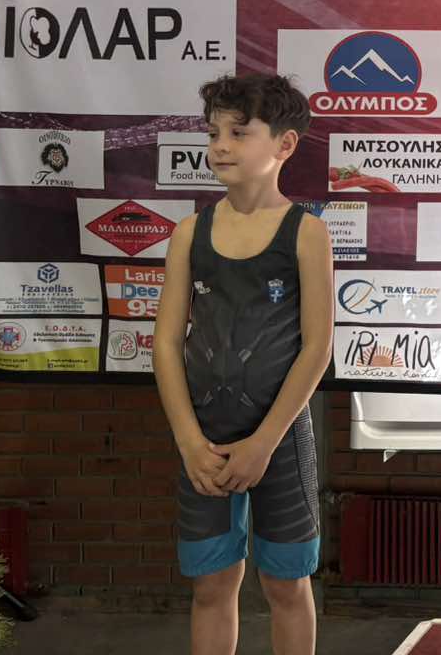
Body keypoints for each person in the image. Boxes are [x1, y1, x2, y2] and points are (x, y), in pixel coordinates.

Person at [153, 74, 333, 655]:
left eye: (238, 132)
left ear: (284, 144)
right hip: (203, 441)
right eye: (213, 133)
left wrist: (263, 443)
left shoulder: (307, 233)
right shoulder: (190, 233)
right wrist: (189, 442)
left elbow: (317, 348)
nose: (220, 146)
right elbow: (165, 344)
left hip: (279, 441)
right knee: (211, 585)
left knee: (286, 584)